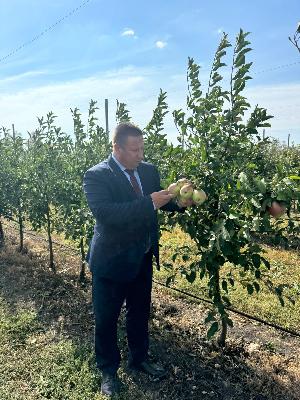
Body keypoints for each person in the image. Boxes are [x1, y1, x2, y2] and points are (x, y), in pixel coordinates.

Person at [83, 122, 191, 397]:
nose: (141, 155)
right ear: (117, 148)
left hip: (141, 257)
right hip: (111, 260)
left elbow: (162, 203)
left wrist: (178, 202)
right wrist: (149, 202)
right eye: (135, 149)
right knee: (106, 319)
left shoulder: (148, 171)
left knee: (140, 313)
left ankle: (139, 359)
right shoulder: (97, 176)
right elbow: (107, 214)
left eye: (143, 148)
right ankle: (108, 370)